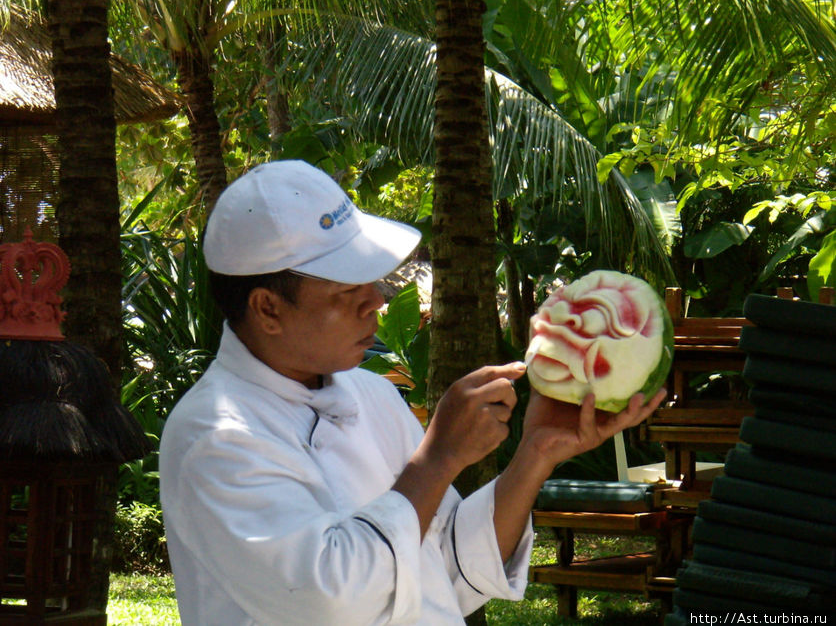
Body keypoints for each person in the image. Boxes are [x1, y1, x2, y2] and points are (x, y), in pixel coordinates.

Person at [159, 159, 665, 626]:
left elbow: (445, 569)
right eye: (347, 290)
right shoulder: (215, 436)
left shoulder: (370, 396)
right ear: (267, 308)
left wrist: (535, 454)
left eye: (370, 282)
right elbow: (328, 600)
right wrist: (438, 458)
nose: (375, 301)